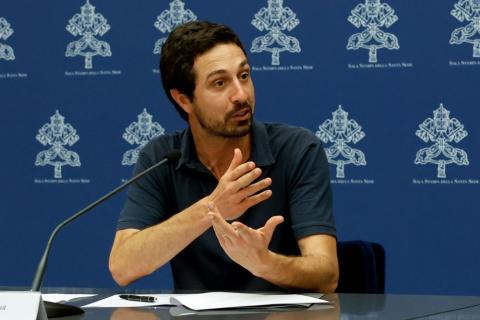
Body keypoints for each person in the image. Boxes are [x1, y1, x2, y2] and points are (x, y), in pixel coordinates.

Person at [109, 21, 338, 292]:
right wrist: (210, 209)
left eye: (244, 76)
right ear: (184, 100)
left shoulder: (297, 149)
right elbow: (123, 267)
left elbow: (327, 274)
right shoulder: (161, 157)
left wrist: (263, 262)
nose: (241, 95)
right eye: (220, 83)